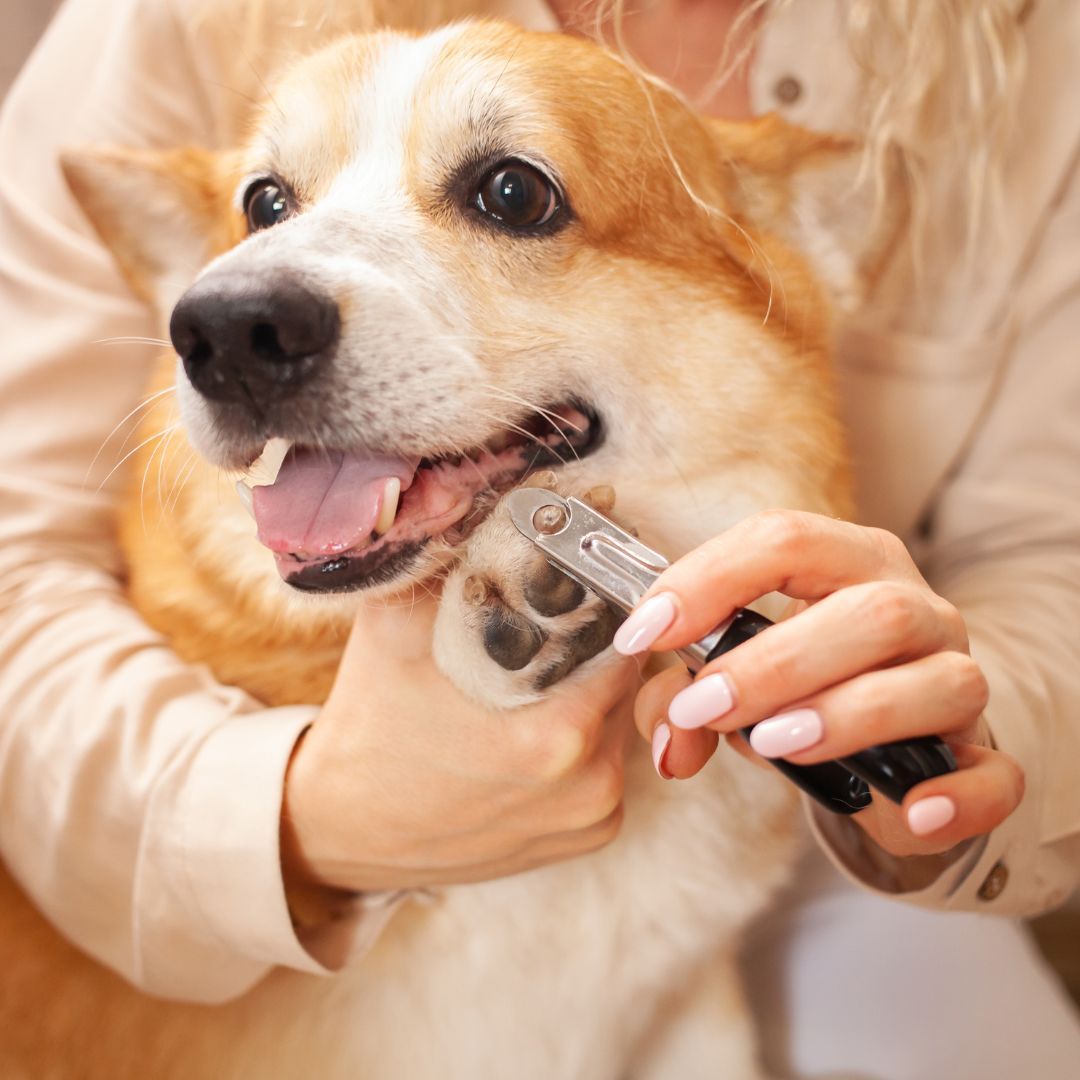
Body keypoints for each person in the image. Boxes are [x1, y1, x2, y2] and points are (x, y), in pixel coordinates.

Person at [0, 0, 1077, 1075]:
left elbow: (1052, 556)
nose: (244, 299)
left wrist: (951, 726)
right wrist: (301, 817)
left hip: (791, 847)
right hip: (199, 831)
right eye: (270, 205)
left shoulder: (1036, 53)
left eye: (509, 196)